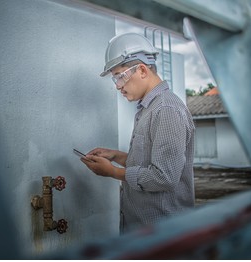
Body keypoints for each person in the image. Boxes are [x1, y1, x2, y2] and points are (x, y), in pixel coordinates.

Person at [81, 33, 195, 233]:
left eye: (120, 75)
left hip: (164, 235)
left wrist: (113, 172)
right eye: (114, 79)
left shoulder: (166, 109)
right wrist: (116, 156)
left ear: (142, 70)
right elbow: (150, 163)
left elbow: (164, 177)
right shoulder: (148, 109)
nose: (117, 86)